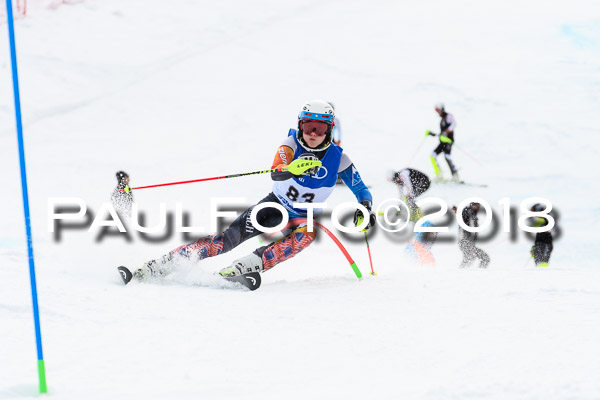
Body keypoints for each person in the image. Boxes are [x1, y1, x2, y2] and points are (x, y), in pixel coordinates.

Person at [132, 100, 375, 280]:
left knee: (306, 236)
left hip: (303, 217)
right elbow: (276, 170)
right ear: (300, 126)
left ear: (329, 130)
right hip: (274, 206)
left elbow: (361, 189)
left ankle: (244, 267)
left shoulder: (339, 159)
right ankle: (166, 263)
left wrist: (365, 208)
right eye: (308, 126)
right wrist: (292, 168)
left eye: (320, 129)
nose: (312, 134)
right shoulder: (290, 144)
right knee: (227, 240)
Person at [426, 103, 460, 182]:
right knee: (432, 155)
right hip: (442, 142)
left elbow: (454, 123)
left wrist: (447, 131)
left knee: (447, 156)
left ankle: (455, 176)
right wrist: (432, 134)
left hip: (448, 141)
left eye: (437, 110)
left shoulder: (448, 116)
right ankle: (439, 175)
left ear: (441, 109)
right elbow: (441, 134)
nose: (437, 112)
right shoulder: (442, 119)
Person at [452, 202, 490, 268]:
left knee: (469, 259)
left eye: (478, 206)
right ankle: (477, 272)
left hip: (468, 243)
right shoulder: (469, 212)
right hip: (465, 242)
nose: (477, 207)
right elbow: (464, 213)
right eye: (475, 206)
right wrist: (457, 209)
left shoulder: (472, 214)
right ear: (471, 206)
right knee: (484, 258)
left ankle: (462, 271)